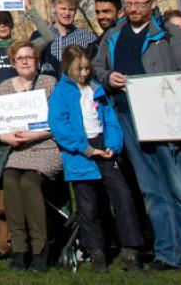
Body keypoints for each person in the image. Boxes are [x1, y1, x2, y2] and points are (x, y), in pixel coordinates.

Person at [93, 0, 181, 275]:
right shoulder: (113, 35)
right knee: (152, 190)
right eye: (129, 4)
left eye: (140, 3)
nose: (134, 8)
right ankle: (168, 253)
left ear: (152, 4)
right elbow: (97, 67)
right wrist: (108, 77)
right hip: (129, 118)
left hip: (168, 119)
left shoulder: (172, 35)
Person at [48, 44, 143, 274]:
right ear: (68, 68)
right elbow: (59, 126)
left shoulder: (96, 87)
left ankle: (131, 251)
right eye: (79, 69)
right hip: (81, 151)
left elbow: (110, 119)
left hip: (104, 146)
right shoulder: (61, 91)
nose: (84, 73)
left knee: (123, 198)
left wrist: (113, 145)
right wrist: (85, 149)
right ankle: (96, 253)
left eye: (86, 68)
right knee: (88, 206)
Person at [0, 40, 61, 272]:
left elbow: (58, 121)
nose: (24, 61)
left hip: (45, 148)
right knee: (11, 180)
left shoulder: (49, 83)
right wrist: (7, 138)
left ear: (37, 60)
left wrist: (34, 134)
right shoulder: (4, 87)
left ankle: (39, 248)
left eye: (29, 57)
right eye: (20, 58)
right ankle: (19, 249)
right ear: (13, 62)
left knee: (30, 183)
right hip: (16, 150)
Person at [28, 0, 98, 78]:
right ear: (53, 9)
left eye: (71, 9)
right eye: (63, 9)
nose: (67, 13)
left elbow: (95, 69)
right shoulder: (39, 36)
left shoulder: (88, 38)